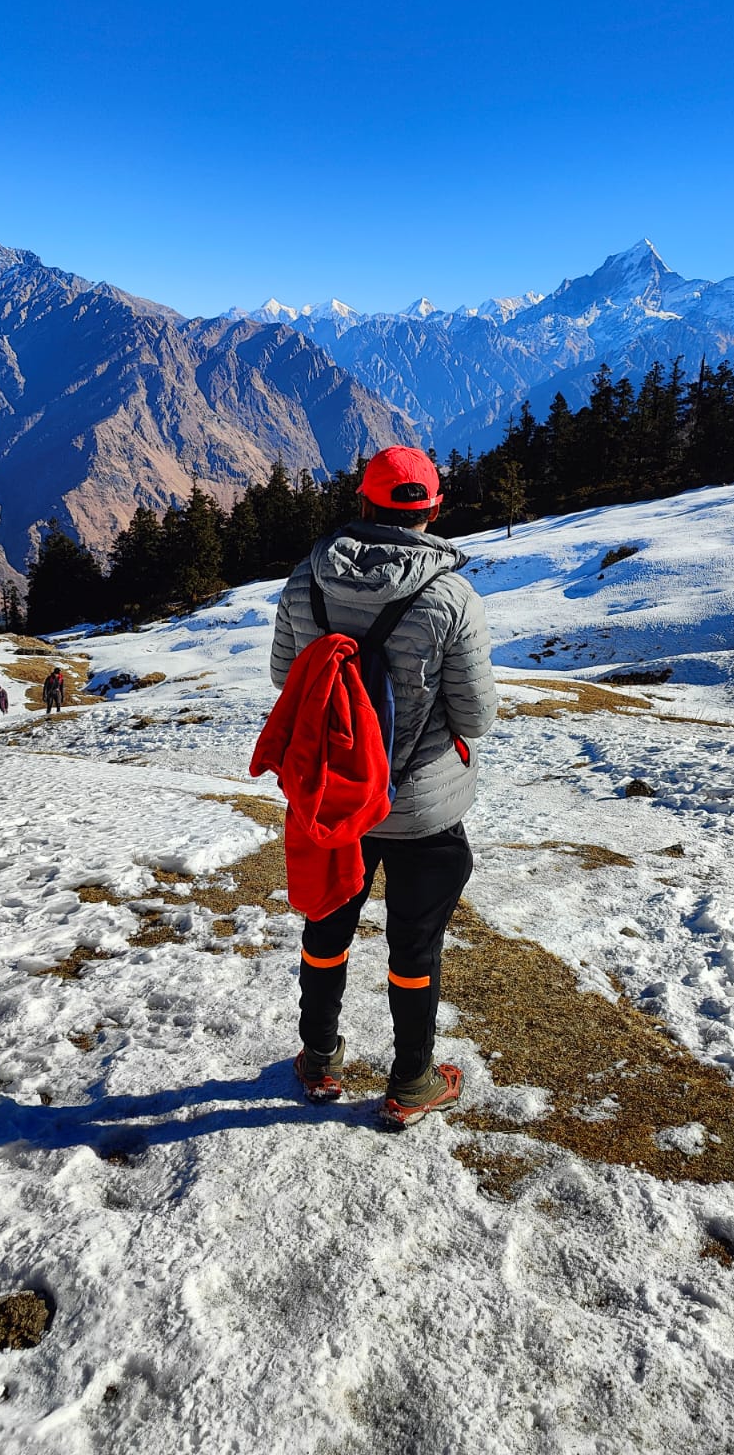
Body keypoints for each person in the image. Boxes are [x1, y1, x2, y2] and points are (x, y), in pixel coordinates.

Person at [269, 446, 497, 1128]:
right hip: (419, 804)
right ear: (432, 511)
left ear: (362, 503)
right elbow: (476, 716)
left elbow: (288, 680)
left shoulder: (305, 581)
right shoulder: (450, 596)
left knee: (326, 925)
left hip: (334, 799)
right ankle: (410, 1081)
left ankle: (317, 1058)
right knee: (413, 946)